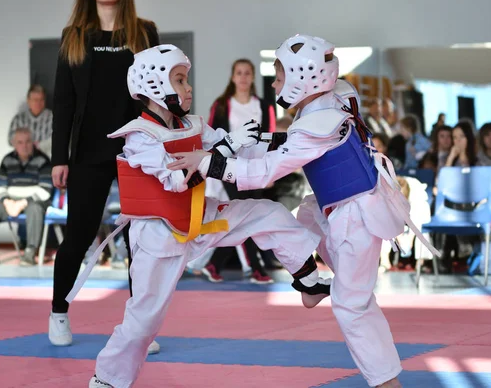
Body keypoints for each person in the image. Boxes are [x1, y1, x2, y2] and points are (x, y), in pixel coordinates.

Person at [169, 34, 439, 388]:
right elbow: (295, 142)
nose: (275, 84)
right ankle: (310, 283)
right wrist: (261, 140)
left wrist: (208, 162)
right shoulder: (337, 97)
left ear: (303, 78)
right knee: (297, 221)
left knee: (351, 305)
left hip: (357, 215)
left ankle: (388, 383)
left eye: (280, 77)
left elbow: (265, 172)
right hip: (334, 208)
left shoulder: (316, 125)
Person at [65, 44, 331, 388]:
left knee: (268, 212)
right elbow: (179, 179)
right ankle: (107, 380)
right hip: (158, 237)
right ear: (154, 86)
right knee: (144, 322)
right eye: (179, 80)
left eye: (186, 79)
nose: (188, 88)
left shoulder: (191, 125)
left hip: (198, 220)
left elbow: (239, 145)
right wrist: (227, 146)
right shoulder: (139, 137)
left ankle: (306, 278)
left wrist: (297, 138)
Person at [48, 0, 160, 354]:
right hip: (87, 151)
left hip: (137, 149)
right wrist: (58, 158)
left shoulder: (144, 32)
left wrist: (167, 144)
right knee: (78, 237)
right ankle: (58, 312)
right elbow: (63, 102)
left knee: (140, 242)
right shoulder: (74, 37)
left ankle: (141, 326)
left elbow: (157, 96)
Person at [203, 58, 277, 283]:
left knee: (246, 216)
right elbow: (213, 137)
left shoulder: (265, 106)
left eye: (247, 73)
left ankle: (214, 263)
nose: (243, 77)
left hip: (256, 168)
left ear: (253, 77)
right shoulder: (222, 104)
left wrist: (271, 171)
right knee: (246, 215)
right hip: (230, 169)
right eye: (239, 73)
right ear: (233, 77)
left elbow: (270, 139)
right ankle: (256, 269)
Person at [0, 128, 52, 266]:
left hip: (33, 202)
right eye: (20, 142)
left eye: (27, 142)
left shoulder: (43, 160)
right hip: (10, 202)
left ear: (33, 142)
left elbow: (45, 190)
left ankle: (30, 252)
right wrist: (7, 202)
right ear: (14, 143)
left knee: (36, 209)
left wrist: (22, 203)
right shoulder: (7, 160)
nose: (24, 146)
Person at [8, 84, 54, 158]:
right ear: (28, 101)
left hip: (47, 159)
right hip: (25, 160)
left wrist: (39, 145)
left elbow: (58, 140)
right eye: (35, 100)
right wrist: (26, 144)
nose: (38, 103)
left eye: (41, 99)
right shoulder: (19, 119)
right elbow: (10, 140)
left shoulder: (53, 117)